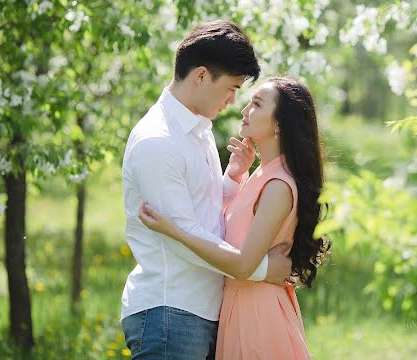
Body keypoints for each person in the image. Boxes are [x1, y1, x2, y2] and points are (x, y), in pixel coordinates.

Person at [121, 20, 293, 360]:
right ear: (200, 76)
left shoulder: (196, 131)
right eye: (230, 88)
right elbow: (181, 234)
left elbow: (203, 212)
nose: (232, 102)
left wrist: (231, 181)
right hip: (171, 311)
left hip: (199, 310)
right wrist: (259, 270)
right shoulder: (159, 140)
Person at [139, 75, 329, 360]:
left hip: (257, 316)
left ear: (279, 123)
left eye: (257, 104)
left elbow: (242, 264)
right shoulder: (263, 174)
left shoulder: (278, 184)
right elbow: (228, 230)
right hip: (240, 307)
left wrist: (175, 230)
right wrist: (237, 174)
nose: (244, 109)